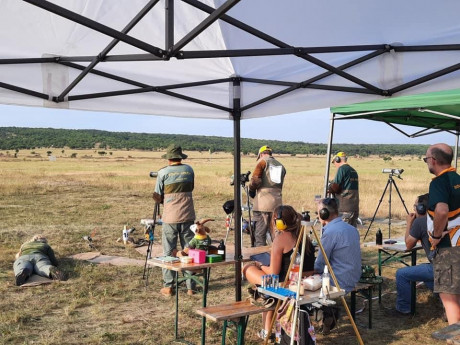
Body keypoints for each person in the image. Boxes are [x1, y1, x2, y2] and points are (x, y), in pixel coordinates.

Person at [243, 205, 315, 340]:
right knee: (262, 281)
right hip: (302, 279)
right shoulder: (304, 236)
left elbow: (273, 273)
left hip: (284, 283)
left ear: (278, 222)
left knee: (248, 269)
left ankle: (266, 328)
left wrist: (261, 264)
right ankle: (267, 326)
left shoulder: (281, 239)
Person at [153, 144, 196, 297]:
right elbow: (191, 187)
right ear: (180, 157)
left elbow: (157, 196)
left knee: (168, 251)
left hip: (170, 217)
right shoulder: (189, 170)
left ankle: (169, 285)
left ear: (169, 158)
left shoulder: (163, 172)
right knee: (189, 250)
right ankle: (191, 286)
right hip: (188, 215)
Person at [425, 143, 460, 325]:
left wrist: (436, 236)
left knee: (450, 302)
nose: (426, 163)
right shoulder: (457, 178)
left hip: (448, 248)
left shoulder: (439, 182)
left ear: (434, 160)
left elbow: (441, 211)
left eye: (426, 159)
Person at [389, 194, 434, 316]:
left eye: (416, 206)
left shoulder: (420, 222)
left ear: (421, 208)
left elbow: (408, 245)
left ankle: (404, 308)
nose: (414, 209)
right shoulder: (441, 219)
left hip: (438, 268)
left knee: (401, 274)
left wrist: (409, 223)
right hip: (451, 265)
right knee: (428, 279)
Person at [314, 197, 361, 293]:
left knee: (304, 281)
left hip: (338, 281)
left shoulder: (330, 232)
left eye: (318, 212)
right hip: (353, 278)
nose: (317, 216)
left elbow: (319, 265)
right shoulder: (352, 229)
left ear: (324, 213)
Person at [248, 145, 286, 246]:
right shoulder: (281, 165)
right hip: (277, 204)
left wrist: (251, 189)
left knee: (260, 234)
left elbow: (255, 180)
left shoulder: (262, 162)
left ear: (261, 154)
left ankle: (261, 258)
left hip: (263, 204)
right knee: (275, 234)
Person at [329, 152, 360, 227]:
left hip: (344, 208)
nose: (335, 165)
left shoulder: (342, 169)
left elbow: (336, 187)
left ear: (338, 160)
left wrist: (330, 188)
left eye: (334, 162)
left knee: (343, 231)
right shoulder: (353, 171)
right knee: (352, 230)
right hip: (354, 207)